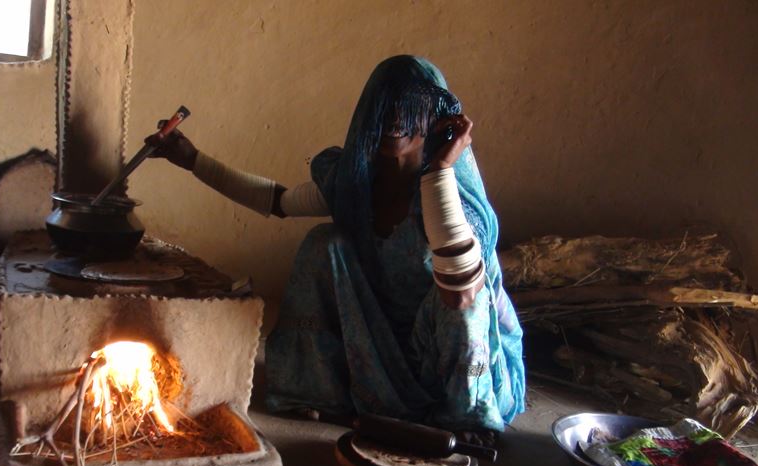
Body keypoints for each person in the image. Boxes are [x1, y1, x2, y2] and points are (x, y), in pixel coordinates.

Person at [150, 55, 525, 444]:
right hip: (380, 343)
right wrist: (192, 160)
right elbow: (277, 201)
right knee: (324, 243)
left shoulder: (453, 193)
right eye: (385, 107)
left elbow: (460, 294)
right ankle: (317, 390)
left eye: (411, 108)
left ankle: (463, 421)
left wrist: (440, 168)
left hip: (446, 349)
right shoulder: (355, 182)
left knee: (468, 301)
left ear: (437, 119)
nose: (395, 120)